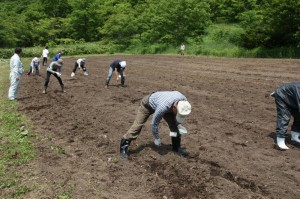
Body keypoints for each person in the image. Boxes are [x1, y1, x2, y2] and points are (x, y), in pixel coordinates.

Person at [119, 91, 192, 158]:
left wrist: (179, 125)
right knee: (137, 126)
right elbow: (154, 123)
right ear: (174, 108)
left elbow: (179, 116)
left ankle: (176, 147)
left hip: (165, 104)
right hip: (147, 105)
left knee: (174, 127)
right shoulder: (163, 107)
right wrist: (157, 138)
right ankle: (124, 146)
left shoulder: (184, 101)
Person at [271, 82, 300, 150]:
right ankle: (280, 140)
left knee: (298, 116)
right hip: (282, 95)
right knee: (284, 117)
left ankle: (295, 136)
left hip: (293, 98)